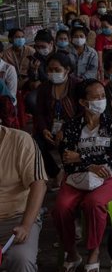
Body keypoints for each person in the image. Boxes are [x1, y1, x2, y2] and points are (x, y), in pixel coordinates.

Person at [54, 79, 112, 272]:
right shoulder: (72, 126)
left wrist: (82, 157)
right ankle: (73, 253)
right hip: (77, 178)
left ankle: (93, 252)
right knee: (61, 207)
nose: (101, 100)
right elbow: (67, 160)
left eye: (103, 96)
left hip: (108, 177)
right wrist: (91, 164)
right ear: (83, 102)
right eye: (96, 97)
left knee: (93, 203)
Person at [0, 125, 47, 272]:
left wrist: (26, 225)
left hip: (18, 218)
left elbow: (39, 185)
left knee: (21, 259)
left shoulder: (20, 140)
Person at [32, 52, 81, 180]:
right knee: (34, 143)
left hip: (72, 128)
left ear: (67, 70)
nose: (53, 73)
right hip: (50, 127)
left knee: (67, 147)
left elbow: (82, 113)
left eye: (57, 70)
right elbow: (39, 112)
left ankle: (71, 175)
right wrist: (44, 129)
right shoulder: (44, 87)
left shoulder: (77, 86)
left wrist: (65, 130)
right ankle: (56, 173)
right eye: (50, 70)